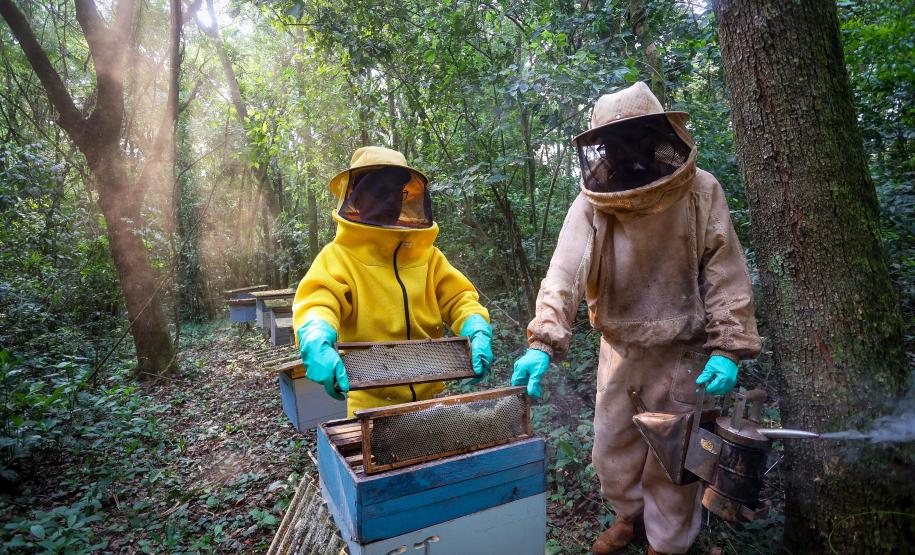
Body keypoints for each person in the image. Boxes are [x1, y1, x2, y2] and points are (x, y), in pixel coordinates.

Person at [511, 82, 761, 555]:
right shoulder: (591, 203)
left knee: (674, 458)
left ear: (657, 132)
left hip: (684, 354)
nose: (627, 148)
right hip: (620, 350)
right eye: (616, 138)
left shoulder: (701, 190)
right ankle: (628, 518)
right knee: (613, 451)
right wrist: (542, 339)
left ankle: (665, 545)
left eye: (636, 134)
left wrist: (729, 348)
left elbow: (726, 272)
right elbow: (565, 270)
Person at [292, 146, 493, 416]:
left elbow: (458, 298)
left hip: (432, 404)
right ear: (357, 198)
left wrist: (476, 326)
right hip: (371, 410)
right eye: (378, 192)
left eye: (396, 193)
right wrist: (315, 334)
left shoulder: (427, 256)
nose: (389, 201)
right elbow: (318, 302)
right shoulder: (338, 257)